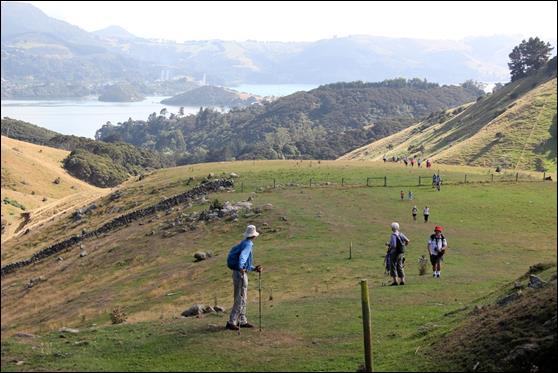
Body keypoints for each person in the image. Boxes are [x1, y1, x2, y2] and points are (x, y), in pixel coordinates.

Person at [225, 225, 262, 331]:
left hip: (238, 271)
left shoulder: (244, 243)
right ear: (254, 236)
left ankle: (242, 320)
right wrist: (241, 267)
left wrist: (254, 268)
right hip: (239, 273)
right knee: (240, 297)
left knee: (242, 296)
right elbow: (243, 257)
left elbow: (245, 262)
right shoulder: (248, 244)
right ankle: (232, 321)